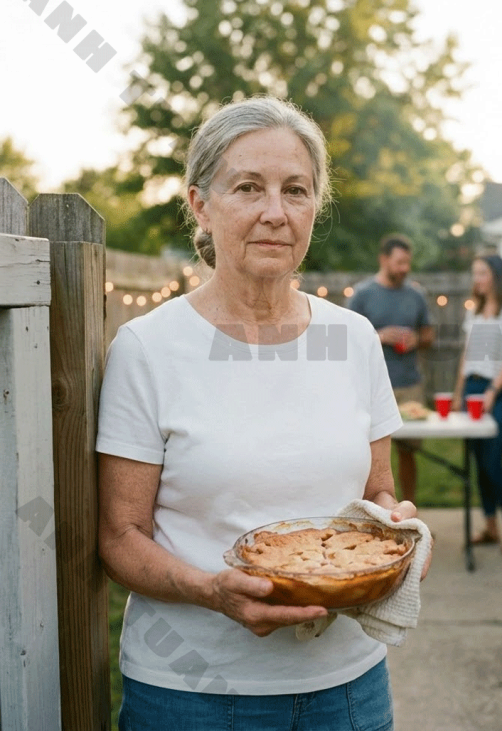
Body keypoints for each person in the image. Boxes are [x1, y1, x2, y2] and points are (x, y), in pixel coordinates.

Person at [97, 96, 423, 731]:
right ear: (201, 204)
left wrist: (402, 537)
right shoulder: (148, 348)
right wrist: (211, 592)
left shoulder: (353, 338)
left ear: (313, 208)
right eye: (249, 187)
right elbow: (119, 538)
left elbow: (379, 491)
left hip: (348, 687)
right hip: (191, 692)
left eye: (295, 190)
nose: (275, 212)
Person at [348, 235, 434, 504]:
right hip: (371, 387)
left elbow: (429, 335)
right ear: (383, 260)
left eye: (407, 263)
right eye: (399, 262)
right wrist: (379, 336)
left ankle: (407, 510)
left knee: (408, 452)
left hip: (409, 383)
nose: (404, 268)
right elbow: (347, 340)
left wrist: (416, 340)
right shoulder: (362, 295)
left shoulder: (416, 295)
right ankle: (371, 512)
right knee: (368, 456)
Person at [451, 254, 502, 553]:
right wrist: (459, 393)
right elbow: (468, 356)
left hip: (500, 392)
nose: (477, 279)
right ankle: (491, 528)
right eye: (475, 273)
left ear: (496, 274)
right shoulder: (476, 310)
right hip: (473, 387)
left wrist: (493, 391)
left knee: (493, 462)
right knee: (478, 463)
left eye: (481, 272)